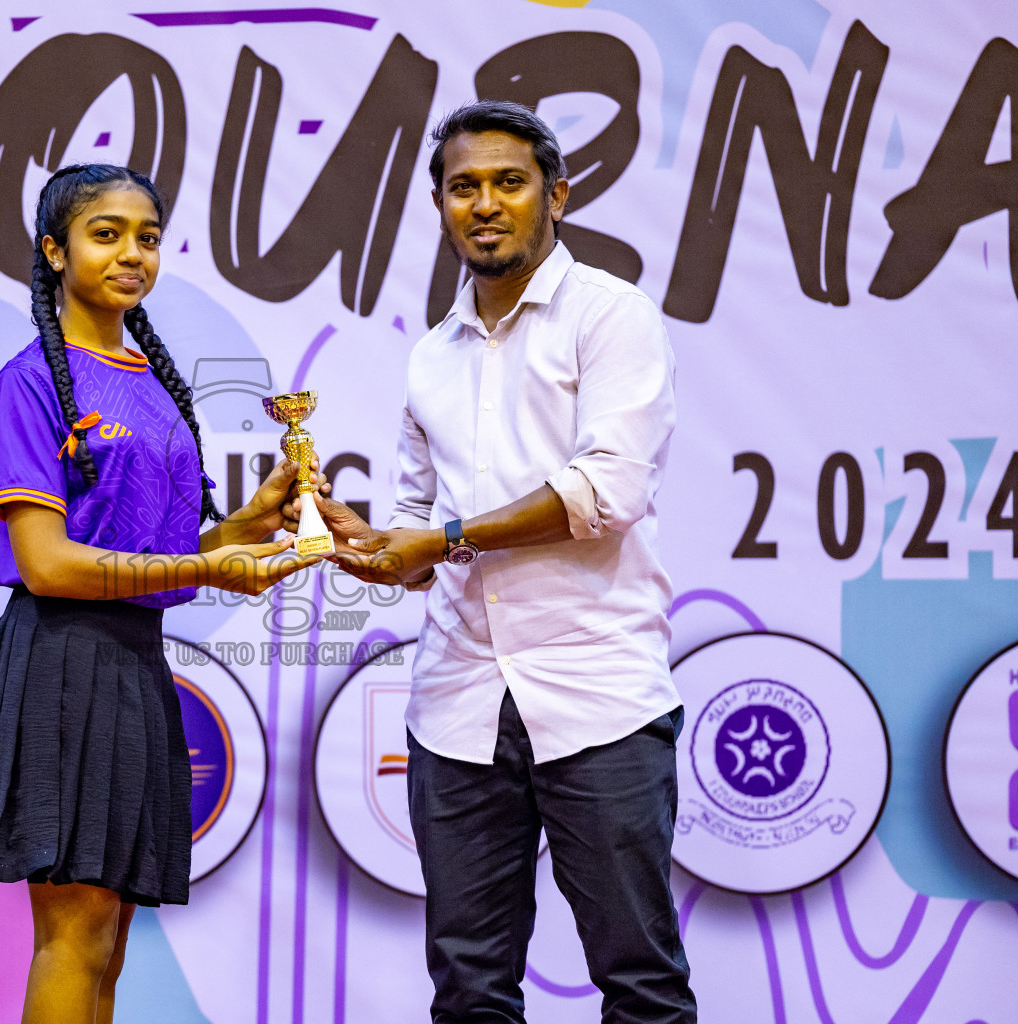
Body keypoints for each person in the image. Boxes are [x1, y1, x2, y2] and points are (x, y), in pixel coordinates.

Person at [314, 101, 698, 1023]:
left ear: (556, 196)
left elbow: (604, 495)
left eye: (508, 183)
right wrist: (374, 549)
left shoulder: (612, 315)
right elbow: (417, 523)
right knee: (469, 989)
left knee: (639, 983)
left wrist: (439, 541)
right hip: (456, 705)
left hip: (596, 696)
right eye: (463, 187)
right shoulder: (429, 358)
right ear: (441, 205)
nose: (484, 203)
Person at [0, 163, 319, 1024]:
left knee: (107, 938)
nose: (131, 254)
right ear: (54, 250)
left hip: (132, 662)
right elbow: (49, 564)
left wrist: (248, 526)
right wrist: (204, 568)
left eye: (146, 238)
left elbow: (162, 554)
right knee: (73, 933)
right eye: (105, 234)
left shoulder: (148, 378)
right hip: (61, 662)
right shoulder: (31, 379)